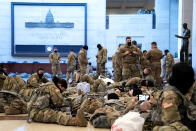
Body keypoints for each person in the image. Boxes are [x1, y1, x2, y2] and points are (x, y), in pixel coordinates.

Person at [152, 63, 196, 131]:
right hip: (172, 125)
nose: (192, 81)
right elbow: (171, 122)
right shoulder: (170, 97)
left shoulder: (181, 87)